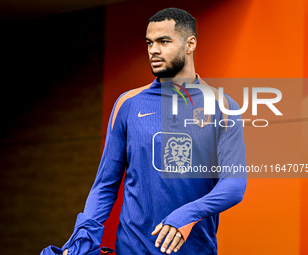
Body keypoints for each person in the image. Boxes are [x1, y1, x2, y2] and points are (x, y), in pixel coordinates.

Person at [59, 7, 246, 255]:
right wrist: (82, 238)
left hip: (195, 250)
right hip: (131, 249)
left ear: (190, 44)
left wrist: (186, 215)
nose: (153, 50)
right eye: (149, 42)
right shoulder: (127, 104)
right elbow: (105, 184)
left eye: (163, 42)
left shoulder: (223, 107)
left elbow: (233, 186)